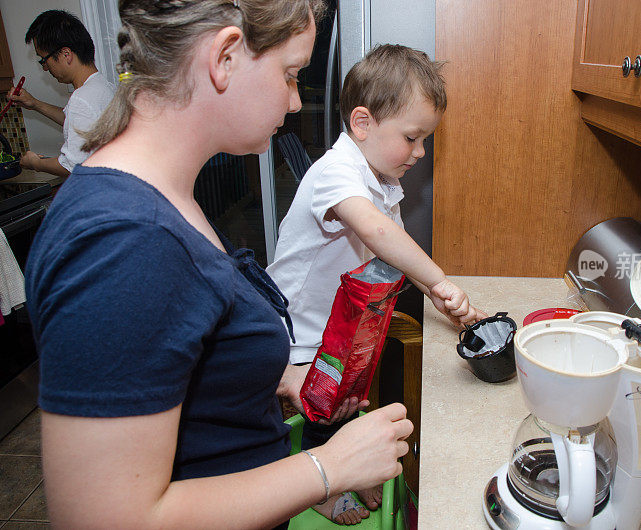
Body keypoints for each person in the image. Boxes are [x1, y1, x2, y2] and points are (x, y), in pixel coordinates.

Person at [24, 1, 412, 529]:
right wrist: (328, 468)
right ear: (225, 56)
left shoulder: (163, 197)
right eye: (291, 74)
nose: (297, 102)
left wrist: (274, 378)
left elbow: (179, 355)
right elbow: (109, 519)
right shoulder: (124, 244)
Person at [266, 44, 487, 523]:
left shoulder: (381, 179)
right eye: (412, 137)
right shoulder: (335, 173)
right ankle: (320, 487)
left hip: (340, 324)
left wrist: (436, 296)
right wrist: (438, 280)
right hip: (298, 329)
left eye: (425, 139)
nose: (420, 151)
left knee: (345, 401)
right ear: (362, 123)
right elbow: (375, 231)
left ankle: (346, 471)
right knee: (325, 407)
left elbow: (393, 246)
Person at [5, 10, 114, 177]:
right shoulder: (104, 87)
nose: (45, 68)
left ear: (66, 54)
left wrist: (36, 163)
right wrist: (35, 104)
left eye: (44, 60)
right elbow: (80, 124)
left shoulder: (81, 99)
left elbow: (72, 167)